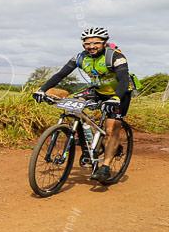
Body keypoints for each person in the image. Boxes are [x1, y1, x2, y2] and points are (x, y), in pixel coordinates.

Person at [32, 27, 132, 183]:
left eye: (96, 43)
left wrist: (116, 98)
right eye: (87, 43)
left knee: (111, 129)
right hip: (97, 90)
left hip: (119, 93)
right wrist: (42, 90)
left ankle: (105, 166)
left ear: (104, 42)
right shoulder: (80, 57)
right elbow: (60, 74)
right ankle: (89, 143)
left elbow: (124, 80)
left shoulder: (116, 57)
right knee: (73, 107)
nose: (91, 46)